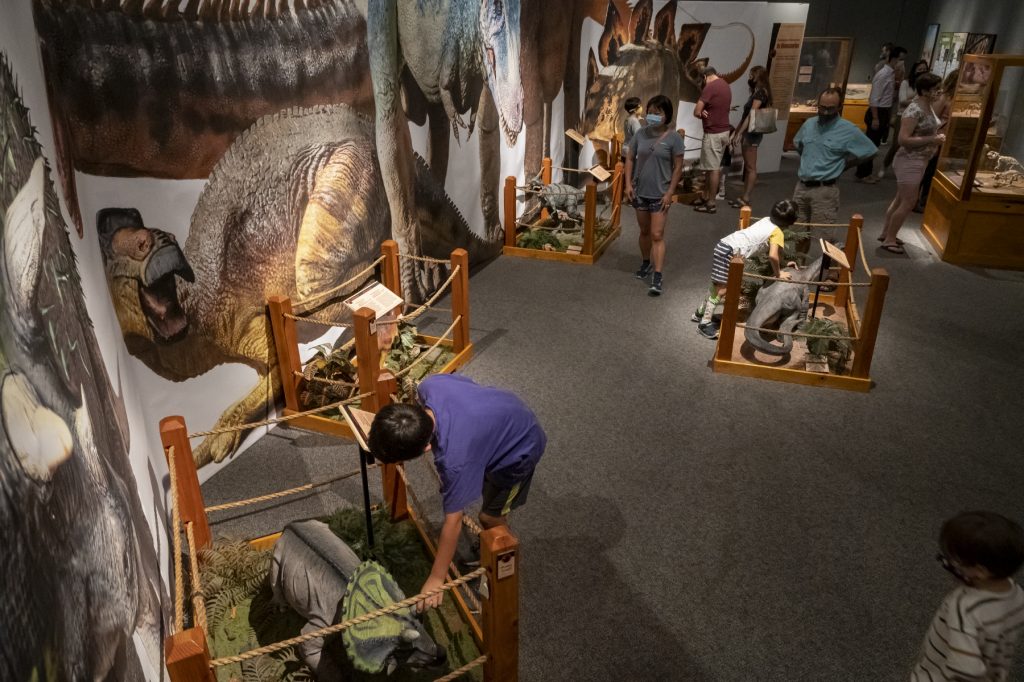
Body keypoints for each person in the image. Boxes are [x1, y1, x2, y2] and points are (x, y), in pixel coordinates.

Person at [368, 374, 546, 611]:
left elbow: (453, 522)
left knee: (490, 518)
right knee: (475, 479)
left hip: (520, 446)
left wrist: (436, 578)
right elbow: (468, 385)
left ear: (427, 447)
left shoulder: (455, 462)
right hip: (502, 409)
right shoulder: (430, 386)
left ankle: (502, 560)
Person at [912, 511, 1024, 681]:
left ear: (980, 571)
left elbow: (966, 670)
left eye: (951, 561)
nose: (948, 565)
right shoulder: (1017, 594)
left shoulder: (964, 608)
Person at [693, 199, 798, 340]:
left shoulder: (766, 220)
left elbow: (777, 253)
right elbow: (773, 256)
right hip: (730, 252)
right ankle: (704, 324)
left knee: (717, 286)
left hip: (724, 245)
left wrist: (785, 262)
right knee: (723, 289)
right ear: (791, 221)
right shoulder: (778, 232)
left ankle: (700, 313)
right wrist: (778, 274)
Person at [791, 88, 877, 249]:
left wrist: (846, 165)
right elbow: (799, 144)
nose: (825, 112)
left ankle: (823, 273)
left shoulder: (848, 129)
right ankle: (798, 269)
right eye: (822, 107)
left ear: (839, 107)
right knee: (797, 234)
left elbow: (870, 151)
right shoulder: (809, 124)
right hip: (801, 187)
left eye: (830, 108)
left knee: (824, 240)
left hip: (825, 191)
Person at [623, 94, 685, 296]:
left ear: (666, 115)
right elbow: (630, 159)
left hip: (660, 193)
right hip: (640, 191)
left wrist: (670, 192)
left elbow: (678, 167)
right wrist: (627, 185)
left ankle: (657, 275)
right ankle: (646, 262)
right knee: (644, 231)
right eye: (650, 112)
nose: (652, 116)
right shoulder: (640, 134)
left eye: (657, 113)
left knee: (657, 234)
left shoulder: (674, 138)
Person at [879, 72, 944, 254]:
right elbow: (903, 139)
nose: (939, 92)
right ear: (924, 90)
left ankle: (887, 233)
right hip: (910, 160)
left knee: (901, 199)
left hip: (919, 159)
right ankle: (890, 239)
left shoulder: (926, 106)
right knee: (908, 201)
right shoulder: (915, 109)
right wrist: (933, 139)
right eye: (935, 89)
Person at [857, 45, 907, 183]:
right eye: (901, 60)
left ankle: (866, 172)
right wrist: (875, 118)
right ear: (894, 59)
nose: (902, 64)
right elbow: (874, 99)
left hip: (883, 111)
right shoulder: (883, 74)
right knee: (870, 145)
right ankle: (863, 174)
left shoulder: (891, 74)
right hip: (877, 111)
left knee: (874, 144)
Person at [728, 66, 773, 209]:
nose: (750, 77)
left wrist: (739, 132)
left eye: (752, 74)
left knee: (751, 167)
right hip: (749, 132)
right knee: (748, 167)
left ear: (758, 75)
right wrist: (737, 132)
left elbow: (751, 114)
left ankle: (746, 197)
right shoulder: (757, 92)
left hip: (752, 134)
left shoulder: (760, 93)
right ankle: (744, 196)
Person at [916, 69, 959, 212]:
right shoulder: (944, 97)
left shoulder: (955, 97)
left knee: (935, 171)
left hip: (948, 140)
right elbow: (932, 119)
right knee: (928, 170)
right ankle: (918, 199)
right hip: (937, 139)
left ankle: (927, 199)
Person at [692, 66, 732, 214]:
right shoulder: (725, 85)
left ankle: (711, 203)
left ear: (704, 77)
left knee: (713, 168)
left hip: (713, 133)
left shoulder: (710, 87)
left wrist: (701, 112)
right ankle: (706, 196)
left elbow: (696, 111)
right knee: (711, 167)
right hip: (724, 131)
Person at [879, 60, 929, 179]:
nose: (922, 72)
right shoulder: (906, 83)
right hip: (903, 115)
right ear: (914, 70)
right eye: (919, 69)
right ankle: (884, 165)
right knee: (897, 143)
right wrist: (919, 97)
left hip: (919, 116)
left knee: (913, 145)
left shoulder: (927, 85)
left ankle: (904, 169)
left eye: (924, 69)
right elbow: (902, 101)